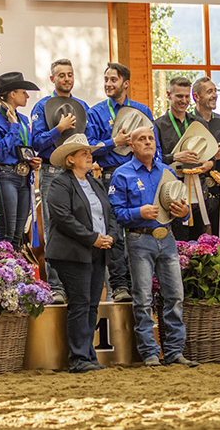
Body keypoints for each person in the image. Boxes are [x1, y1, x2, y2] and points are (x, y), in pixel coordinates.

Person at [109, 126, 198, 367]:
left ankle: (174, 352)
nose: (148, 142)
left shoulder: (167, 172)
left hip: (166, 237)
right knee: (143, 297)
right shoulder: (122, 174)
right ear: (132, 146)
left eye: (150, 138)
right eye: (141, 139)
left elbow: (180, 205)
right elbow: (115, 213)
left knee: (175, 296)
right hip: (138, 238)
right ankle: (149, 353)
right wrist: (139, 212)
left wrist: (184, 212)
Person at [86, 62, 159, 303]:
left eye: (113, 80)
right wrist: (113, 141)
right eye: (106, 79)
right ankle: (118, 286)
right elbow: (89, 149)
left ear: (125, 83)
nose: (108, 84)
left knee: (140, 230)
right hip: (110, 174)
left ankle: (144, 285)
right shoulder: (96, 112)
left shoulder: (142, 110)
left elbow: (154, 147)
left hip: (141, 176)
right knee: (114, 231)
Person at [45, 133, 116, 373]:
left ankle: (88, 355)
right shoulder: (60, 183)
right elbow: (63, 218)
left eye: (89, 153)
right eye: (84, 153)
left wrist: (110, 236)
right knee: (81, 303)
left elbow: (109, 214)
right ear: (71, 159)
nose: (89, 156)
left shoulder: (95, 183)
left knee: (91, 304)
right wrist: (93, 238)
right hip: (72, 253)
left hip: (97, 250)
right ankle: (78, 358)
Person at [31, 58, 89, 304]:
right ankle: (56, 286)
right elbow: (36, 142)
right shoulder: (41, 107)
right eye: (61, 75)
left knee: (80, 225)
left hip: (78, 173)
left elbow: (90, 138)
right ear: (52, 79)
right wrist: (58, 128)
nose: (66, 79)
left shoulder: (82, 105)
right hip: (52, 173)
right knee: (53, 228)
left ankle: (77, 284)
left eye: (70, 74)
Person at [155, 76, 220, 241]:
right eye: (179, 96)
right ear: (168, 94)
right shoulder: (158, 125)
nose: (184, 100)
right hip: (172, 191)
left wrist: (210, 164)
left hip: (199, 190)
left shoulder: (199, 123)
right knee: (178, 242)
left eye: (186, 96)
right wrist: (174, 157)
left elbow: (211, 155)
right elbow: (153, 160)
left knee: (199, 243)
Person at [0, 72, 42, 250]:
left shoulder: (24, 119)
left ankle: (13, 270)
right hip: (6, 174)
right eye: (24, 92)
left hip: (24, 176)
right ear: (12, 94)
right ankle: (3, 270)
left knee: (19, 233)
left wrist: (33, 160)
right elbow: (1, 152)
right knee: (7, 230)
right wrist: (12, 128)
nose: (27, 96)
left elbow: (28, 147)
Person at [190, 77, 220, 239]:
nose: (215, 95)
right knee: (197, 239)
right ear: (196, 96)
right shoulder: (189, 124)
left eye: (215, 91)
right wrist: (213, 156)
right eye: (209, 92)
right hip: (196, 189)